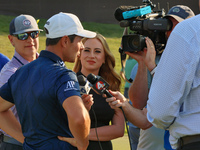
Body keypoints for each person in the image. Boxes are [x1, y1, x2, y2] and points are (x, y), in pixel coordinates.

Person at [0, 12, 96, 150]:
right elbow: (79, 118)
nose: (81, 46)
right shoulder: (64, 75)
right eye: (79, 40)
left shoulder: (21, 72)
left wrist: (27, 141)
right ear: (64, 41)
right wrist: (82, 144)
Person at [106, 4, 195, 150]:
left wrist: (153, 68)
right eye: (168, 26)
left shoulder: (192, 61)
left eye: (178, 26)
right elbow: (139, 104)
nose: (172, 32)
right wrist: (142, 63)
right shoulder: (151, 59)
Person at [146, 1, 200, 149]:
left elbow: (160, 112)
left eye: (175, 25)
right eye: (166, 25)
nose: (170, 31)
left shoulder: (189, 30)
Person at [72, 33, 125, 150]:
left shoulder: (111, 86)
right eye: (86, 50)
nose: (92, 56)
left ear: (104, 58)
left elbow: (119, 129)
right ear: (79, 54)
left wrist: (80, 136)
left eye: (97, 51)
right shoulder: (68, 83)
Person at [0, 14, 42, 150]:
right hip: (16, 144)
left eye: (34, 34)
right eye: (23, 35)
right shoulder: (9, 73)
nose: (30, 40)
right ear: (11, 40)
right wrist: (30, 143)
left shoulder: (47, 65)